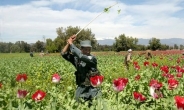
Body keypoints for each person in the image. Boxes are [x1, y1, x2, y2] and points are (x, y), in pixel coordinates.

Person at [61, 35, 101, 106]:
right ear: (81, 49)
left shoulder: (92, 59)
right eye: (85, 49)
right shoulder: (77, 60)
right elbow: (63, 53)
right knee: (78, 105)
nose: (88, 51)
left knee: (96, 106)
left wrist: (71, 44)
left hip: (93, 88)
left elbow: (81, 56)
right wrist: (68, 43)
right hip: (81, 87)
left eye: (89, 49)